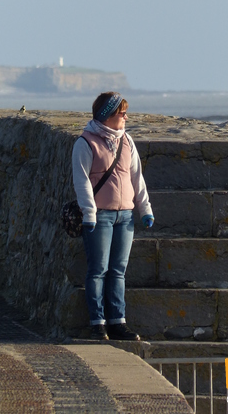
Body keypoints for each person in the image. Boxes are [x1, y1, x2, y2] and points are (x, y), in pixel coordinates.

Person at [72, 92, 154, 341]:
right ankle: (97, 323)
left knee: (118, 270)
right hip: (100, 217)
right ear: (107, 115)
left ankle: (118, 321)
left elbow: (136, 177)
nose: (126, 117)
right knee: (98, 269)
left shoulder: (127, 141)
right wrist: (89, 213)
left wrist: (145, 209)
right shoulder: (85, 143)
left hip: (125, 216)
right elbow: (82, 181)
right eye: (122, 113)